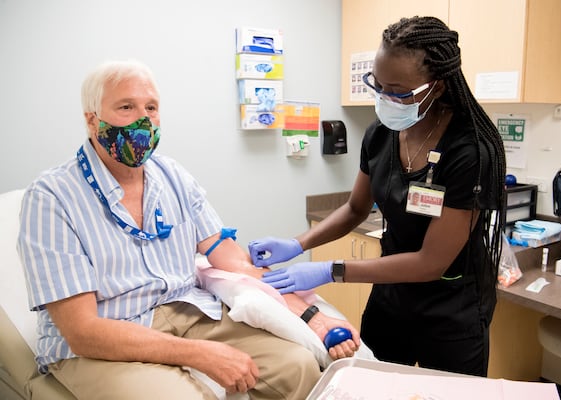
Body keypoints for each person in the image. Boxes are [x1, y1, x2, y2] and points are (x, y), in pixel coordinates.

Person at [17, 59, 359, 400]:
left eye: (151, 107)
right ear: (92, 120)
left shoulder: (173, 177)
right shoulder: (52, 197)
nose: (144, 119)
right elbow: (83, 332)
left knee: (297, 365)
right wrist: (198, 354)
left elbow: (236, 263)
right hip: (105, 336)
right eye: (126, 107)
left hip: (189, 311)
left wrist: (312, 316)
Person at [249, 16, 506, 377]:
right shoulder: (381, 134)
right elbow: (356, 207)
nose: (385, 98)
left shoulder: (471, 150)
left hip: (451, 308)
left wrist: (332, 270)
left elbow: (432, 262)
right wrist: (297, 243)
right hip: (392, 294)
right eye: (378, 85)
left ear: (438, 86)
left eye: (398, 91)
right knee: (373, 382)